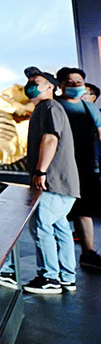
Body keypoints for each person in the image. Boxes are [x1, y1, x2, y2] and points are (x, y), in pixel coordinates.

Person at [0, 67, 81, 295]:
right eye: (30, 81)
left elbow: (51, 139)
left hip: (53, 181)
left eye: (37, 81)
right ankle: (67, 277)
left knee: (42, 226)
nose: (31, 84)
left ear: (50, 87)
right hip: (63, 182)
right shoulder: (45, 108)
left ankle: (49, 278)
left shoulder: (49, 107)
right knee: (60, 226)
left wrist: (41, 171)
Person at [55, 67, 101, 272]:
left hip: (86, 165)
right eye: (69, 81)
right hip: (60, 167)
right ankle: (58, 258)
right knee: (58, 211)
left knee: (85, 209)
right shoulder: (53, 107)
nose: (74, 85)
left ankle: (88, 253)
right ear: (60, 85)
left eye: (78, 81)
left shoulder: (89, 108)